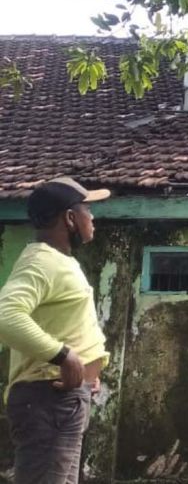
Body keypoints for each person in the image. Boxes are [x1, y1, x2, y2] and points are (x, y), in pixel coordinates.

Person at [0, 177, 111, 484]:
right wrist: (65, 358)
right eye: (87, 209)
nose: (93, 217)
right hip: (48, 399)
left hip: (61, 399)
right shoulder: (41, 262)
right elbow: (5, 316)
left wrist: (89, 370)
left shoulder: (59, 261)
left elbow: (63, 323)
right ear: (70, 218)